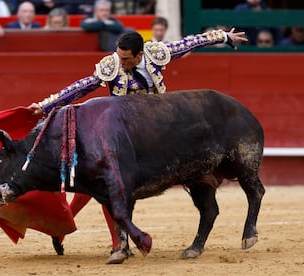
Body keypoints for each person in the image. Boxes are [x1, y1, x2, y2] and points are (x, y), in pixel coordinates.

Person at [27, 27, 248, 262]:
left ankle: (68, 228)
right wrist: (47, 105)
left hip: (154, 130)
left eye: (125, 58)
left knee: (102, 182)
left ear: (139, 55)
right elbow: (83, 86)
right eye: (118, 56)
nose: (119, 62)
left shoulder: (157, 53)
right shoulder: (112, 65)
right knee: (103, 180)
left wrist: (224, 37)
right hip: (122, 133)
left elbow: (190, 42)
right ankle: (113, 242)